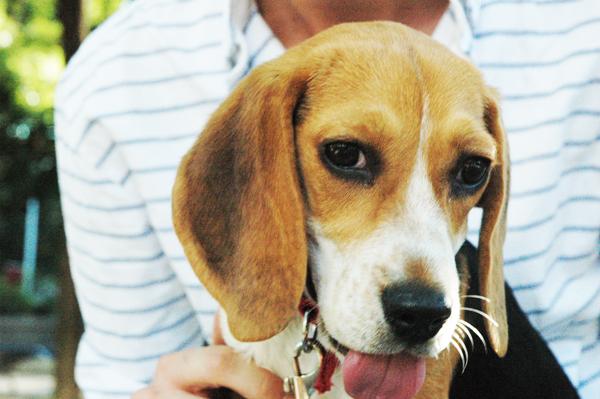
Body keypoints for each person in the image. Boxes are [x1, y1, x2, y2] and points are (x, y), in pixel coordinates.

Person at [54, 0, 600, 398]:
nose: (421, 287)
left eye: (469, 171)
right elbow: (123, 376)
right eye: (346, 156)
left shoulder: (585, 34)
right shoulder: (112, 78)